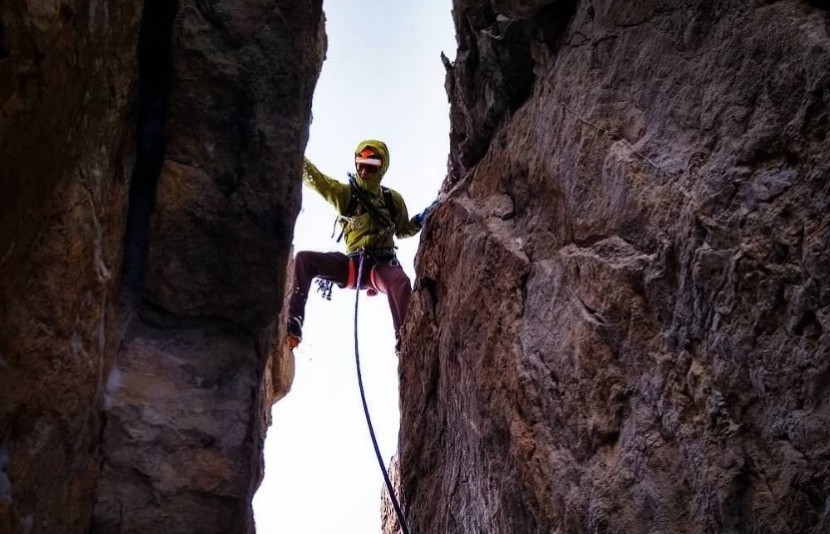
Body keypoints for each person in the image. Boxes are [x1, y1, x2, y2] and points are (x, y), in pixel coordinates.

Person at [287, 139, 436, 353]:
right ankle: (294, 321)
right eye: (360, 165)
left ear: (381, 168)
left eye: (371, 166)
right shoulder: (346, 195)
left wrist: (421, 220)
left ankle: (405, 341)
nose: (364, 171)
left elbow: (402, 230)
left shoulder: (392, 200)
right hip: (354, 265)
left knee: (400, 282)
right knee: (305, 260)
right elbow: (318, 181)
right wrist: (292, 151)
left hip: (381, 265)